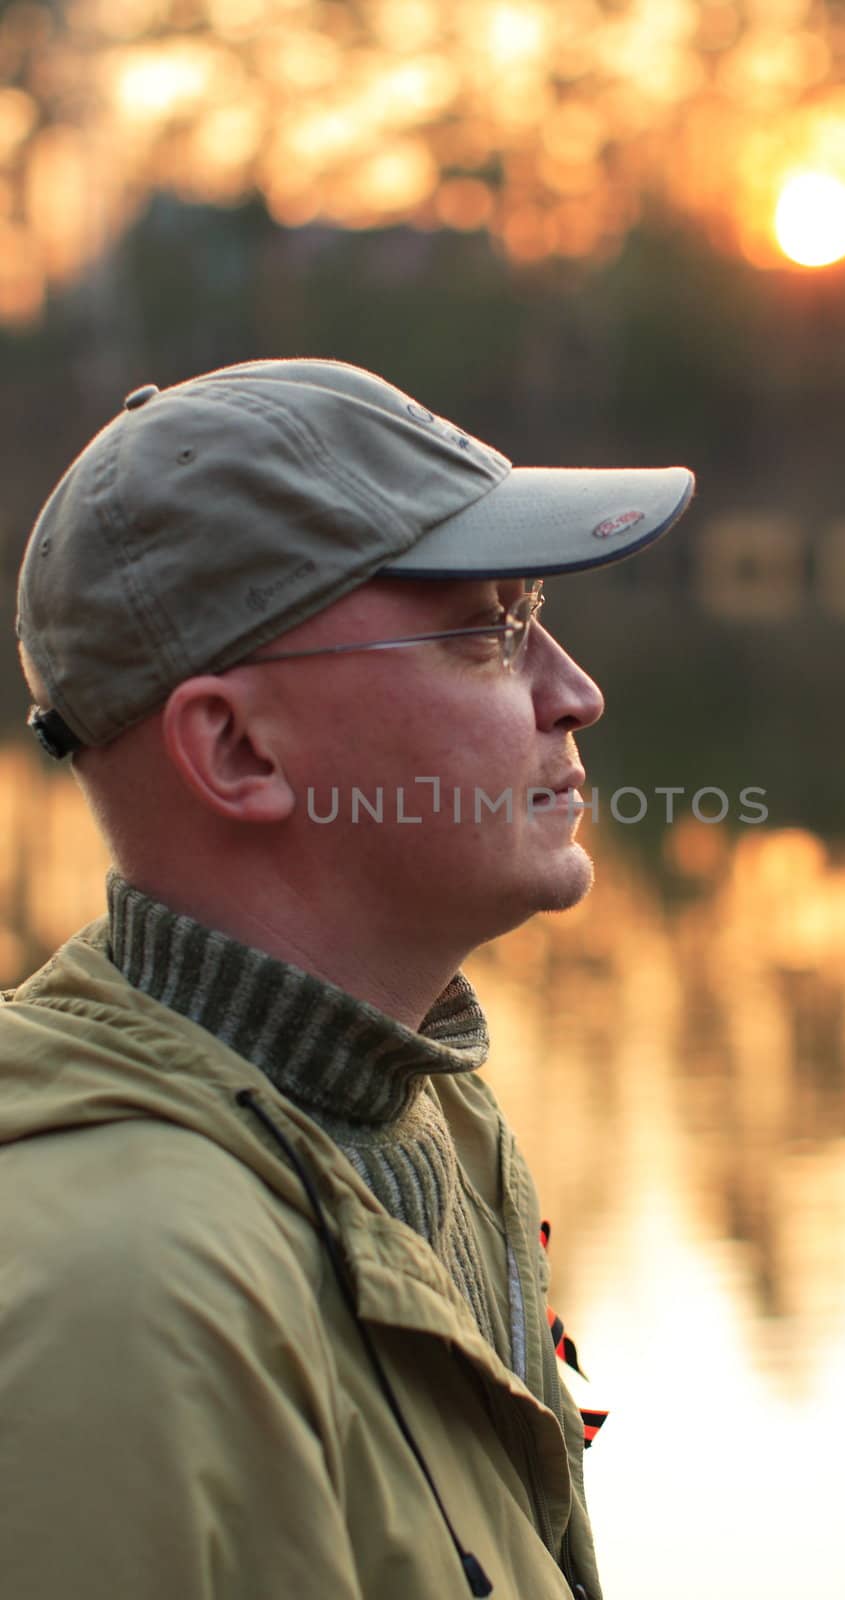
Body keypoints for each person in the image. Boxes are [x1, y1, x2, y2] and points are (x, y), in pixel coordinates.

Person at [0, 358, 694, 1599]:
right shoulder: (120, 1301)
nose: (574, 694)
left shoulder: (419, 1110)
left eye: (532, 608)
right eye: (490, 629)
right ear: (238, 747)